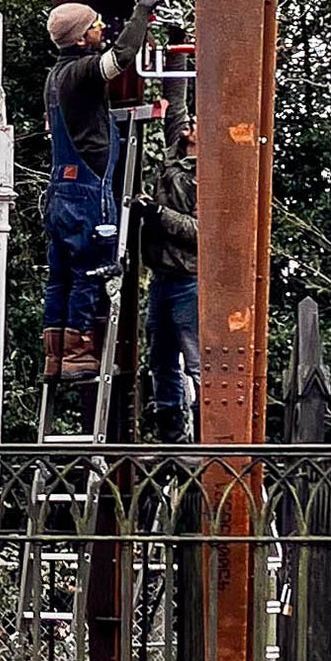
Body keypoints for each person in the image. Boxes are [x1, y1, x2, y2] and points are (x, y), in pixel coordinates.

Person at [40, 0, 157, 387]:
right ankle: (78, 353)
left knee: (61, 275)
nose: (101, 28)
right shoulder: (81, 72)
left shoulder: (55, 78)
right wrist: (141, 13)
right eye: (94, 26)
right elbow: (120, 58)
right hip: (86, 193)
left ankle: (55, 356)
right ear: (78, 38)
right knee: (91, 270)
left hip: (61, 191)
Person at [140, 110, 199, 439]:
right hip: (162, 277)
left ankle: (206, 435)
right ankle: (171, 435)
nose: (193, 122)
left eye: (199, 122)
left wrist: (158, 214)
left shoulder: (208, 175)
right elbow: (175, 109)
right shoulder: (173, 160)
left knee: (196, 360)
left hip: (189, 278)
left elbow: (203, 231)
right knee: (160, 358)